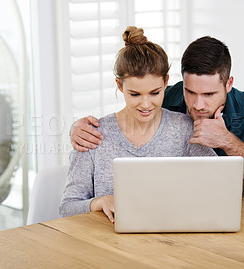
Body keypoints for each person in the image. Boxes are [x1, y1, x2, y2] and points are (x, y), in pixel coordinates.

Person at [70, 36, 244, 198]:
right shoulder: (164, 96)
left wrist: (226, 141)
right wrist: (78, 128)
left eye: (209, 94)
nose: (198, 105)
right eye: (190, 92)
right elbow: (135, 100)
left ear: (228, 84)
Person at [59, 27, 216, 222]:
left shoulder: (185, 130)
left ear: (166, 82)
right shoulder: (92, 136)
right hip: (106, 245)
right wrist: (98, 202)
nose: (145, 104)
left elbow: (216, 187)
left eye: (155, 93)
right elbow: (66, 208)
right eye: (134, 94)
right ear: (119, 85)